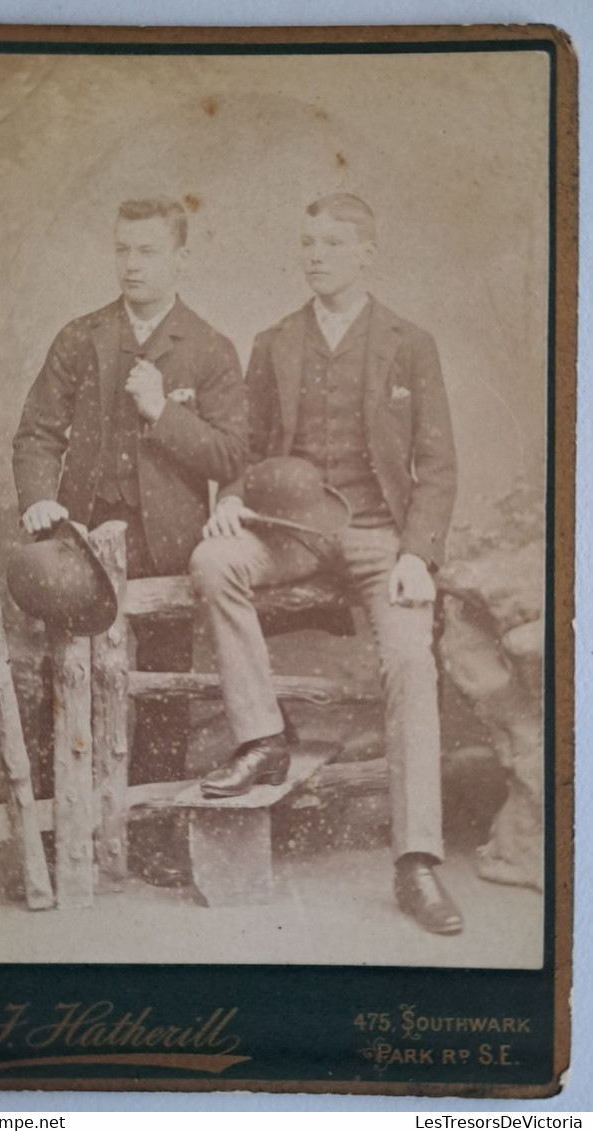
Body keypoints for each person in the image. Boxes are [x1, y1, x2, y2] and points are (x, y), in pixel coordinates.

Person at [190, 192, 462, 935]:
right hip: (292, 531)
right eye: (307, 242)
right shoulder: (274, 340)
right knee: (213, 562)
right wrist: (232, 496)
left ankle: (415, 861)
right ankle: (262, 737)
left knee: (409, 658)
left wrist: (417, 555)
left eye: (332, 243)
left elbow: (436, 465)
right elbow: (244, 446)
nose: (315, 254)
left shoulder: (410, 341)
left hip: (380, 537)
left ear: (366, 253)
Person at [13, 195, 248, 887]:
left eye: (147, 251)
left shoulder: (208, 348)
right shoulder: (80, 337)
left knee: (163, 694)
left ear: (180, 256)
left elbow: (233, 455)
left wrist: (159, 414)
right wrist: (40, 499)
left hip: (165, 548)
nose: (131, 264)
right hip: (79, 540)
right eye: (122, 249)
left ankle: (151, 836)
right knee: (63, 676)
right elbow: (36, 433)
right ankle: (61, 835)